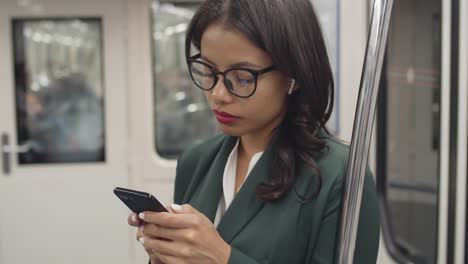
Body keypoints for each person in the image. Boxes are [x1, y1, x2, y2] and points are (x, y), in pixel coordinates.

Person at [128, 0, 380, 263]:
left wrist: (223, 258)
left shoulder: (340, 176)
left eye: (243, 78)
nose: (218, 94)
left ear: (293, 76)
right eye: (208, 71)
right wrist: (165, 253)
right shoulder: (196, 162)